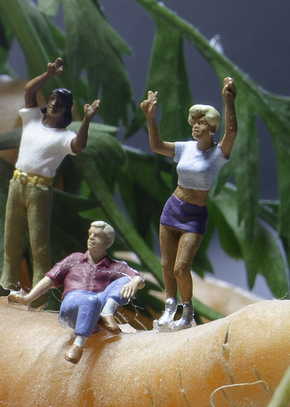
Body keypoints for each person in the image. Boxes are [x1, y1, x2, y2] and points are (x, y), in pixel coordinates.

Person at [0, 57, 101, 302]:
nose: (54, 105)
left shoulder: (64, 136)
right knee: (11, 239)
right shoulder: (32, 120)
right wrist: (48, 75)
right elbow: (29, 90)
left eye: (60, 104)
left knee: (39, 245)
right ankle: (6, 284)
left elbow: (79, 146)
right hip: (16, 184)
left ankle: (39, 293)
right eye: (52, 100)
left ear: (66, 111)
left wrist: (88, 119)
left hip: (40, 190)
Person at [143, 78, 238, 331]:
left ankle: (187, 312)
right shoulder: (185, 148)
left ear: (212, 128)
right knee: (166, 264)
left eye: (202, 122)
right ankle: (169, 308)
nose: (196, 126)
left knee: (181, 267)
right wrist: (151, 118)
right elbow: (156, 146)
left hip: (195, 215)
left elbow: (232, 133)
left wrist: (229, 102)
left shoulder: (218, 155)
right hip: (172, 208)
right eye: (194, 122)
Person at [13, 221, 143, 364]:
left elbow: (137, 276)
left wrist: (135, 281)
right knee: (90, 301)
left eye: (97, 235)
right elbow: (49, 279)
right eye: (90, 234)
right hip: (73, 302)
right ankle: (78, 345)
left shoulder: (115, 266)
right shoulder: (74, 259)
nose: (91, 238)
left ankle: (106, 313)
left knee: (125, 280)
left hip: (99, 302)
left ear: (107, 241)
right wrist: (28, 298)